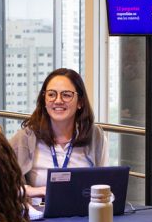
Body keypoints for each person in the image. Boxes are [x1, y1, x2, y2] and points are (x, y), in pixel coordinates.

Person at [9, 68, 108, 199]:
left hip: (83, 210)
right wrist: (33, 191)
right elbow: (3, 185)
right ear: (44, 100)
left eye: (66, 95)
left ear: (80, 102)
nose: (58, 100)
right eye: (51, 94)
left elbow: (105, 185)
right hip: (39, 211)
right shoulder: (25, 138)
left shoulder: (96, 136)